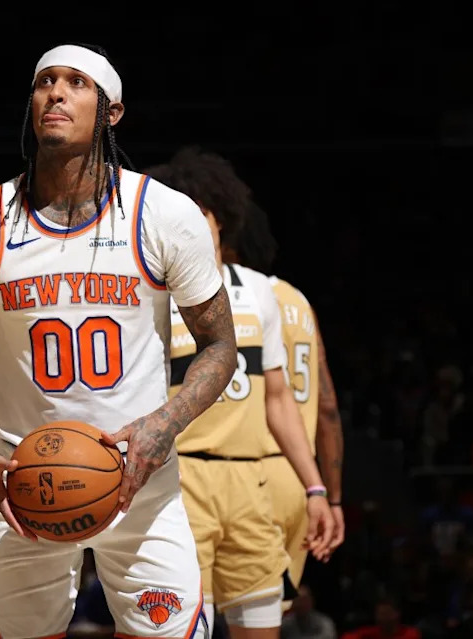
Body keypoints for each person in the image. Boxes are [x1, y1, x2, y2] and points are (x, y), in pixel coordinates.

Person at [0, 42, 238, 639]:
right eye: (45, 81)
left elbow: (219, 345)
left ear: (111, 112)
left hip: (142, 479)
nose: (56, 93)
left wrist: (163, 426)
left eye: (76, 83)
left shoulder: (164, 215)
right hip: (23, 486)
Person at [147, 148, 333, 639]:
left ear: (220, 222)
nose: (189, 224)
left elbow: (278, 399)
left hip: (252, 488)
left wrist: (315, 488)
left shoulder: (260, 293)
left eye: (200, 213)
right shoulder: (150, 302)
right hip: (179, 486)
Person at [227, 198, 346, 592]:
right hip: (300, 478)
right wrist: (332, 497)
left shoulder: (229, 296)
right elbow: (327, 409)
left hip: (245, 472)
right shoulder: (298, 300)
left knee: (202, 615)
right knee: (267, 618)